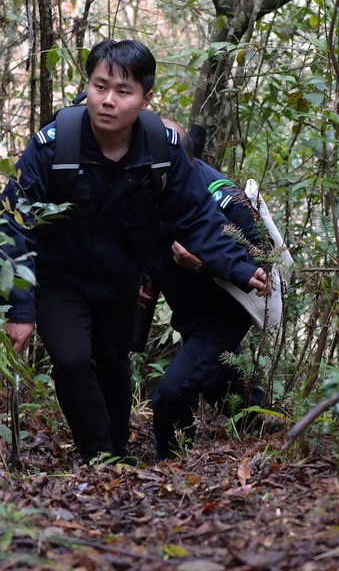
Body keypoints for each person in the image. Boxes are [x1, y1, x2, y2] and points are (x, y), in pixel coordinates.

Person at [0, 39, 268, 464]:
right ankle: (98, 456)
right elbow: (15, 223)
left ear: (145, 98)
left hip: (120, 281)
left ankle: (116, 454)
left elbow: (194, 215)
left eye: (123, 91)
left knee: (114, 368)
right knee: (70, 359)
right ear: (87, 86)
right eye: (99, 86)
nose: (107, 101)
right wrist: (19, 309)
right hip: (60, 277)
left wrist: (235, 266)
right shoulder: (52, 145)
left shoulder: (162, 149)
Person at [141, 119, 267, 461]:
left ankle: (170, 462)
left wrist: (200, 263)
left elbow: (260, 259)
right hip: (189, 315)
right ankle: (276, 433)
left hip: (222, 317)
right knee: (225, 391)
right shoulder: (152, 187)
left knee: (169, 395)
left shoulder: (223, 197)